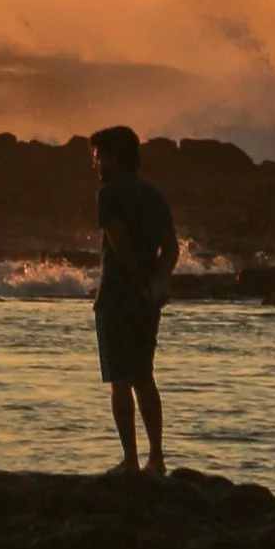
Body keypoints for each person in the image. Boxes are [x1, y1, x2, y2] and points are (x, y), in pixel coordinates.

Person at [90, 124, 174, 474]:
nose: (96, 165)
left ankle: (130, 460)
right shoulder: (154, 195)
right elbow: (171, 248)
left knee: (120, 382)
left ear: (115, 158)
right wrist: (156, 284)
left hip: (116, 298)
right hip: (147, 302)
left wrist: (138, 282)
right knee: (144, 376)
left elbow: (120, 244)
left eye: (98, 158)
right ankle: (157, 457)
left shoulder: (109, 195)